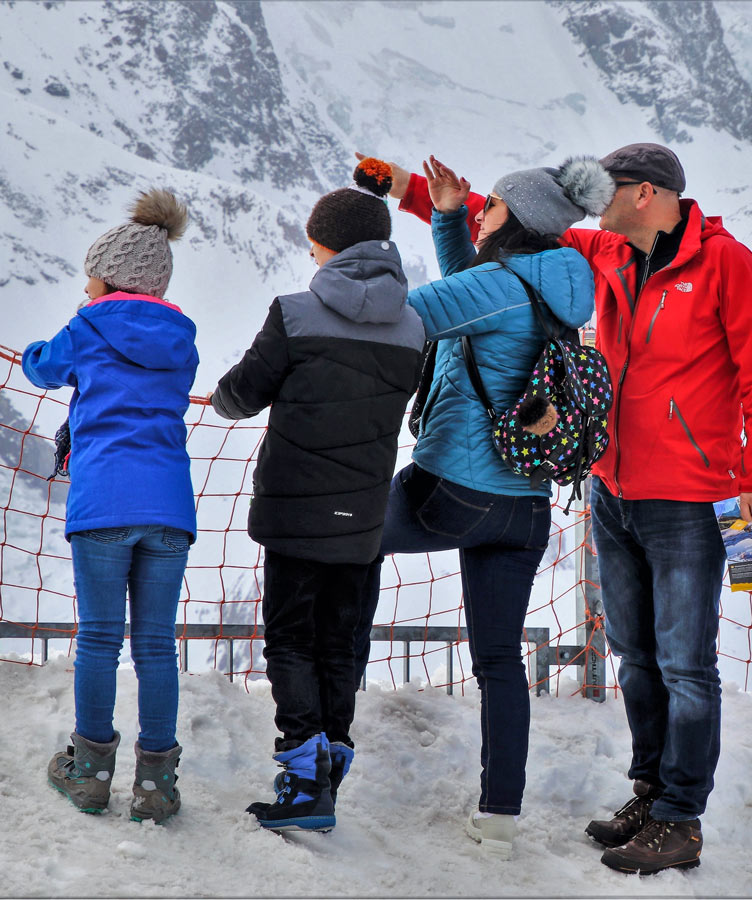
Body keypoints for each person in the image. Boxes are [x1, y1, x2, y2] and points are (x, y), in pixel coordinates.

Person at [367, 141, 752, 874]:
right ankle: (650, 791)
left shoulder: (726, 263)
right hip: (614, 488)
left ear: (645, 193)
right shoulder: (607, 251)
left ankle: (681, 818)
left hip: (692, 493)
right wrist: (412, 192)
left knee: (686, 665)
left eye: (613, 185)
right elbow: (509, 225)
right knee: (635, 656)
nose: (596, 198)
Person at [374, 154, 609, 861]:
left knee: (347, 541)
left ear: (521, 222)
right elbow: (472, 292)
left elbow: (407, 315)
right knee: (499, 659)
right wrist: (448, 215)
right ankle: (499, 814)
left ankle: (326, 734)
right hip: (524, 508)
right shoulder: (556, 285)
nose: (484, 212)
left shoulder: (500, 286)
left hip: (454, 489)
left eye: (493, 208)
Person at [210, 159, 425, 832]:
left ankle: (304, 785)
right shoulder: (416, 328)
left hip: (296, 509)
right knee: (340, 644)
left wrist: (221, 395)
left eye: (314, 242)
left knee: (291, 641)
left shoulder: (295, 314)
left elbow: (241, 394)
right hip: (363, 515)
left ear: (329, 246)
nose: (310, 252)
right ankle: (331, 765)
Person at [23, 189, 196, 824]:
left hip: (102, 502)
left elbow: (41, 367)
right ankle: (156, 787)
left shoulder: (88, 324)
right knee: (156, 645)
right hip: (170, 505)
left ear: (108, 276)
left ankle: (91, 775)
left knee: (99, 638)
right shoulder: (182, 336)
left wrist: (83, 314)